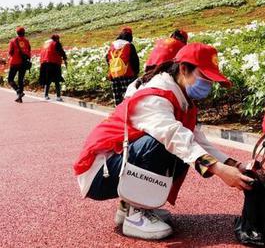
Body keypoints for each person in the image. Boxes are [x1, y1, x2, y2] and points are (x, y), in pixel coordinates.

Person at [74, 43, 253, 240]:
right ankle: (136, 215)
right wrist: (219, 170)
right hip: (100, 174)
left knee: (185, 147)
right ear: (184, 69)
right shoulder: (155, 96)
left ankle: (128, 208)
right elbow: (174, 136)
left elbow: (196, 140)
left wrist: (234, 165)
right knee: (164, 145)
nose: (208, 86)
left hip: (116, 164)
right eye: (205, 78)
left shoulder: (181, 99)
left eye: (211, 81)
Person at [106, 27, 140, 105]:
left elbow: (107, 59)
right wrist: (136, 73)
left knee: (117, 98)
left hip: (114, 75)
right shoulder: (129, 45)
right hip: (128, 74)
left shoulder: (112, 46)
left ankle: (118, 113)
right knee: (129, 96)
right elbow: (135, 61)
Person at [39, 34, 68, 101]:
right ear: (57, 39)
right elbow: (61, 52)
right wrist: (65, 59)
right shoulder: (56, 43)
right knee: (57, 80)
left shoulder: (46, 43)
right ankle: (58, 96)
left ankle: (46, 95)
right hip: (54, 63)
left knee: (48, 80)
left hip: (45, 63)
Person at [7, 26, 31, 103]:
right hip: (23, 63)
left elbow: (10, 52)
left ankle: (19, 92)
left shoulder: (13, 41)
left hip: (14, 62)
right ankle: (19, 98)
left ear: (17, 33)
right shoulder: (27, 41)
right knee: (20, 80)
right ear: (24, 33)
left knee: (10, 79)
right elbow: (29, 50)